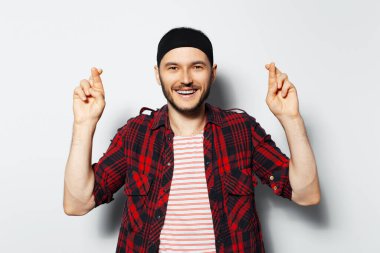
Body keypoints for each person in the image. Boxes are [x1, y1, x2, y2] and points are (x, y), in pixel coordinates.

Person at [63, 27, 321, 253]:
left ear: (212, 73)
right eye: (173, 67)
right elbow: (77, 203)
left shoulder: (241, 130)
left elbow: (306, 194)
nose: (185, 78)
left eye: (197, 67)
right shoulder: (136, 134)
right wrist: (84, 125)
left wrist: (291, 118)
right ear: (158, 74)